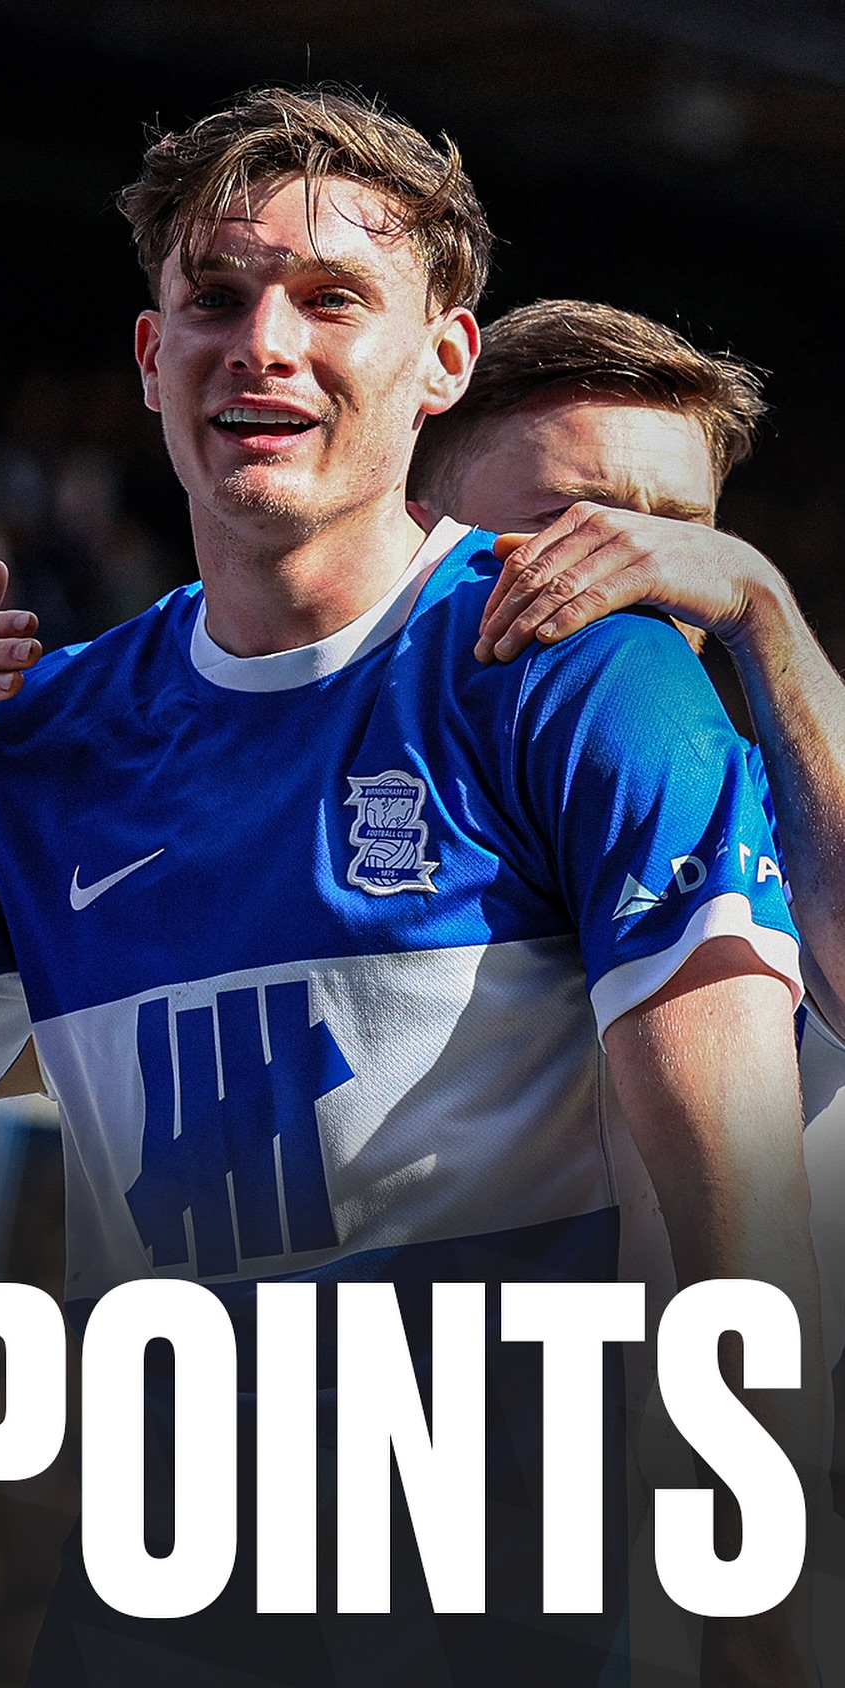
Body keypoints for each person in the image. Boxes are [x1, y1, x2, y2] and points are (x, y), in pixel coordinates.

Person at [0, 90, 821, 1687]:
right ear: (148, 356)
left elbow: (737, 1200)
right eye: (215, 297)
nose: (263, 344)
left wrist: (756, 1610)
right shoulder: (37, 746)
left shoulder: (578, 681)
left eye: (331, 299)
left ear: (441, 361)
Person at [408, 298, 845, 1366]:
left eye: (683, 530)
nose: (640, 557)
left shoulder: (768, 797)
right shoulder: (314, 789)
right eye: (578, 516)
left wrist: (761, 606)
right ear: (420, 530)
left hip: (728, 1436)